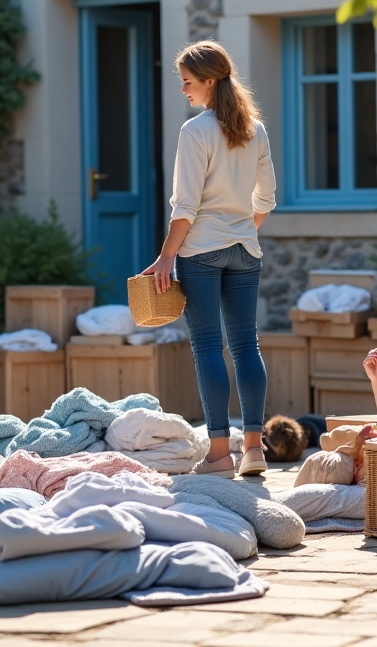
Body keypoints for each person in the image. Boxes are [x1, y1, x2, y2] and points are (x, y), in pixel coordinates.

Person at [142, 40, 277, 478]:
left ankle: (220, 454)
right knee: (245, 345)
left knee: (207, 347)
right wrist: (242, 229)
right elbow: (267, 199)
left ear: (210, 81)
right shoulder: (255, 129)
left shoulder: (195, 131)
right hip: (245, 250)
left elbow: (185, 206)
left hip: (200, 252)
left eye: (187, 82)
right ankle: (254, 448)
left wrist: (166, 257)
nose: (184, 90)